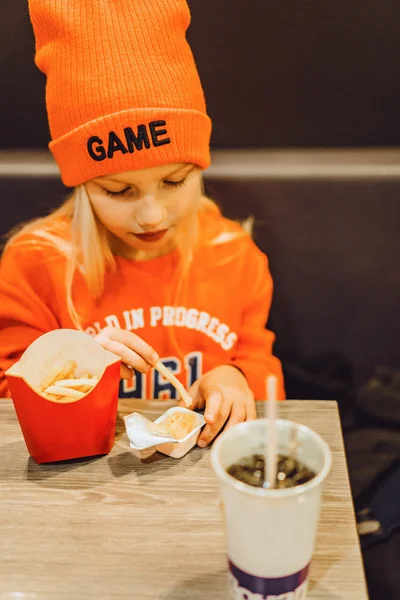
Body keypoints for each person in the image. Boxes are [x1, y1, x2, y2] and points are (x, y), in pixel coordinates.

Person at [0, 0, 285, 446]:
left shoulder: (233, 253)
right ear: (82, 186)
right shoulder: (35, 264)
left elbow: (260, 364)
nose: (152, 215)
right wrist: (78, 367)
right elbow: (8, 396)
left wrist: (236, 376)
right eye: (118, 191)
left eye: (174, 181)